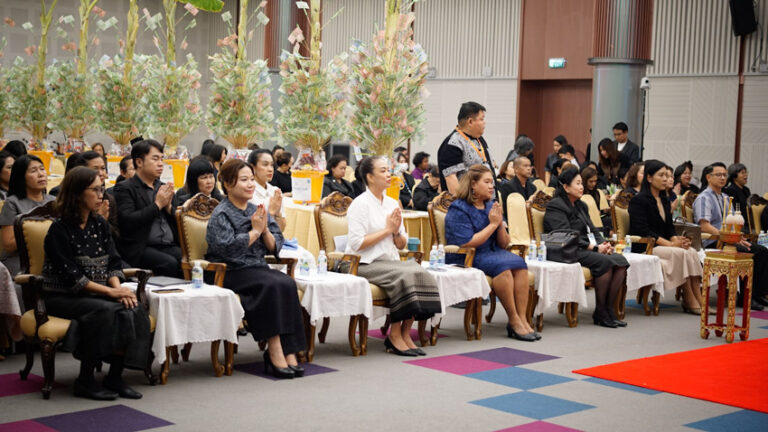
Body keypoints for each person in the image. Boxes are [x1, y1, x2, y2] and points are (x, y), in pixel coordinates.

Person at [42, 166, 149, 400]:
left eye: (102, 189)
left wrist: (117, 288)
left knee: (132, 307)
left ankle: (116, 376)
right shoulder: (59, 230)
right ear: (78, 193)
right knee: (105, 309)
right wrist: (111, 293)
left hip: (96, 292)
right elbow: (73, 278)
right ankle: (86, 379)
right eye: (95, 190)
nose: (102, 194)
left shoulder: (99, 224)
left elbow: (113, 262)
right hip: (63, 296)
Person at [206, 159, 306, 379]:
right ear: (228, 184)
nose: (250, 184)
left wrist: (265, 231)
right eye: (244, 180)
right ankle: (275, 349)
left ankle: (290, 350)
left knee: (287, 282)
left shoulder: (257, 210)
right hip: (230, 270)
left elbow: (275, 245)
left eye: (251, 179)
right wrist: (253, 232)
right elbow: (225, 250)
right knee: (271, 284)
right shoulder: (221, 213)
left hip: (255, 267)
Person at [346, 156, 441, 356]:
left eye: (389, 170)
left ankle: (406, 333)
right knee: (406, 275)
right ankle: (394, 335)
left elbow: (401, 243)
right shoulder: (359, 204)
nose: (389, 174)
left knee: (421, 272)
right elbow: (356, 243)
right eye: (383, 171)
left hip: (389, 261)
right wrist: (387, 230)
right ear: (370, 177)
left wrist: (396, 232)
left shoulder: (391, 203)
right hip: (362, 262)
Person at [445, 164, 539, 341]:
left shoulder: (490, 206)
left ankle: (523, 319)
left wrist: (500, 226)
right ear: (473, 184)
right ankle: (513, 320)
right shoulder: (459, 208)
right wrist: (493, 225)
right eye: (487, 182)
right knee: (503, 267)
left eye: (492, 183)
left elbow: (504, 244)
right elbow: (467, 242)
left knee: (520, 264)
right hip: (466, 255)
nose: (491, 186)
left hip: (491, 252)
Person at [544, 167, 629, 328]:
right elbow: (564, 233)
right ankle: (601, 312)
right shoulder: (556, 205)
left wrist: (602, 243)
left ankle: (609, 309)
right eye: (577, 183)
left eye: (581, 183)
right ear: (566, 187)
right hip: (566, 249)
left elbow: (593, 228)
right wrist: (594, 248)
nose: (581, 187)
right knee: (604, 262)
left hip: (585, 247)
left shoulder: (581, 205)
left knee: (620, 261)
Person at [628, 160, 704, 314]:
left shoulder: (664, 199)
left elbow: (669, 228)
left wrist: (677, 240)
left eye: (667, 175)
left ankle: (699, 298)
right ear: (649, 178)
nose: (665, 179)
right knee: (681, 253)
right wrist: (670, 245)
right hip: (646, 247)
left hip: (663, 245)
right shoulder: (638, 200)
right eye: (661, 175)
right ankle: (689, 298)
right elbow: (643, 231)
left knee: (690, 251)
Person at [693, 162, 768, 310]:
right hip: (713, 241)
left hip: (729, 240)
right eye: (718, 175)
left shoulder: (726, 197)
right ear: (708, 177)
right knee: (752, 252)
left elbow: (734, 222)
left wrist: (737, 237)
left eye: (724, 175)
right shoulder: (704, 198)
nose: (722, 178)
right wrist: (726, 236)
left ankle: (756, 293)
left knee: (761, 251)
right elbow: (704, 225)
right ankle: (744, 297)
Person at [113, 139, 181, 278]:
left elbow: (180, 221)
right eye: (155, 159)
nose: (161, 164)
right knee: (170, 263)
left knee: (192, 261)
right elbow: (127, 221)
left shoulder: (162, 187)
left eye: (162, 159)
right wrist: (157, 206)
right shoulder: (125, 188)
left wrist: (168, 209)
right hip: (141, 247)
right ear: (139, 162)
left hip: (168, 245)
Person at [0, 155, 55, 280]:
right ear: (21, 177)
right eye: (33, 171)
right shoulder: (12, 203)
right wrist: (38, 234)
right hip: (20, 260)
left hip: (50, 258)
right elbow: (8, 245)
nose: (41, 174)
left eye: (42, 169)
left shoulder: (54, 201)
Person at [438, 102, 497, 195]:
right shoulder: (453, 144)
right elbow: (451, 179)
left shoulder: (479, 139)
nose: (485, 122)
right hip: (468, 205)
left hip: (487, 202)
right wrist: (462, 207)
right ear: (470, 121)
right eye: (482, 119)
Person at [247, 149, 286, 231]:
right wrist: (271, 213)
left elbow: (281, 229)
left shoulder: (275, 191)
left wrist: (277, 212)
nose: (270, 169)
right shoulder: (248, 192)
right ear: (252, 167)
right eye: (265, 165)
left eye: (272, 165)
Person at [581, 166, 612, 231]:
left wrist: (605, 210)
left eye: (595, 181)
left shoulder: (597, 192)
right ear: (584, 180)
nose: (593, 184)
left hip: (600, 219)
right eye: (591, 181)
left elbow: (601, 210)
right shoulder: (580, 193)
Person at [723, 163, 750, 233]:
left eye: (746, 172)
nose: (746, 175)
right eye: (742, 173)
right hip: (737, 224)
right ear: (734, 176)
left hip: (747, 222)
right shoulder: (730, 190)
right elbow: (733, 211)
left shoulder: (746, 190)